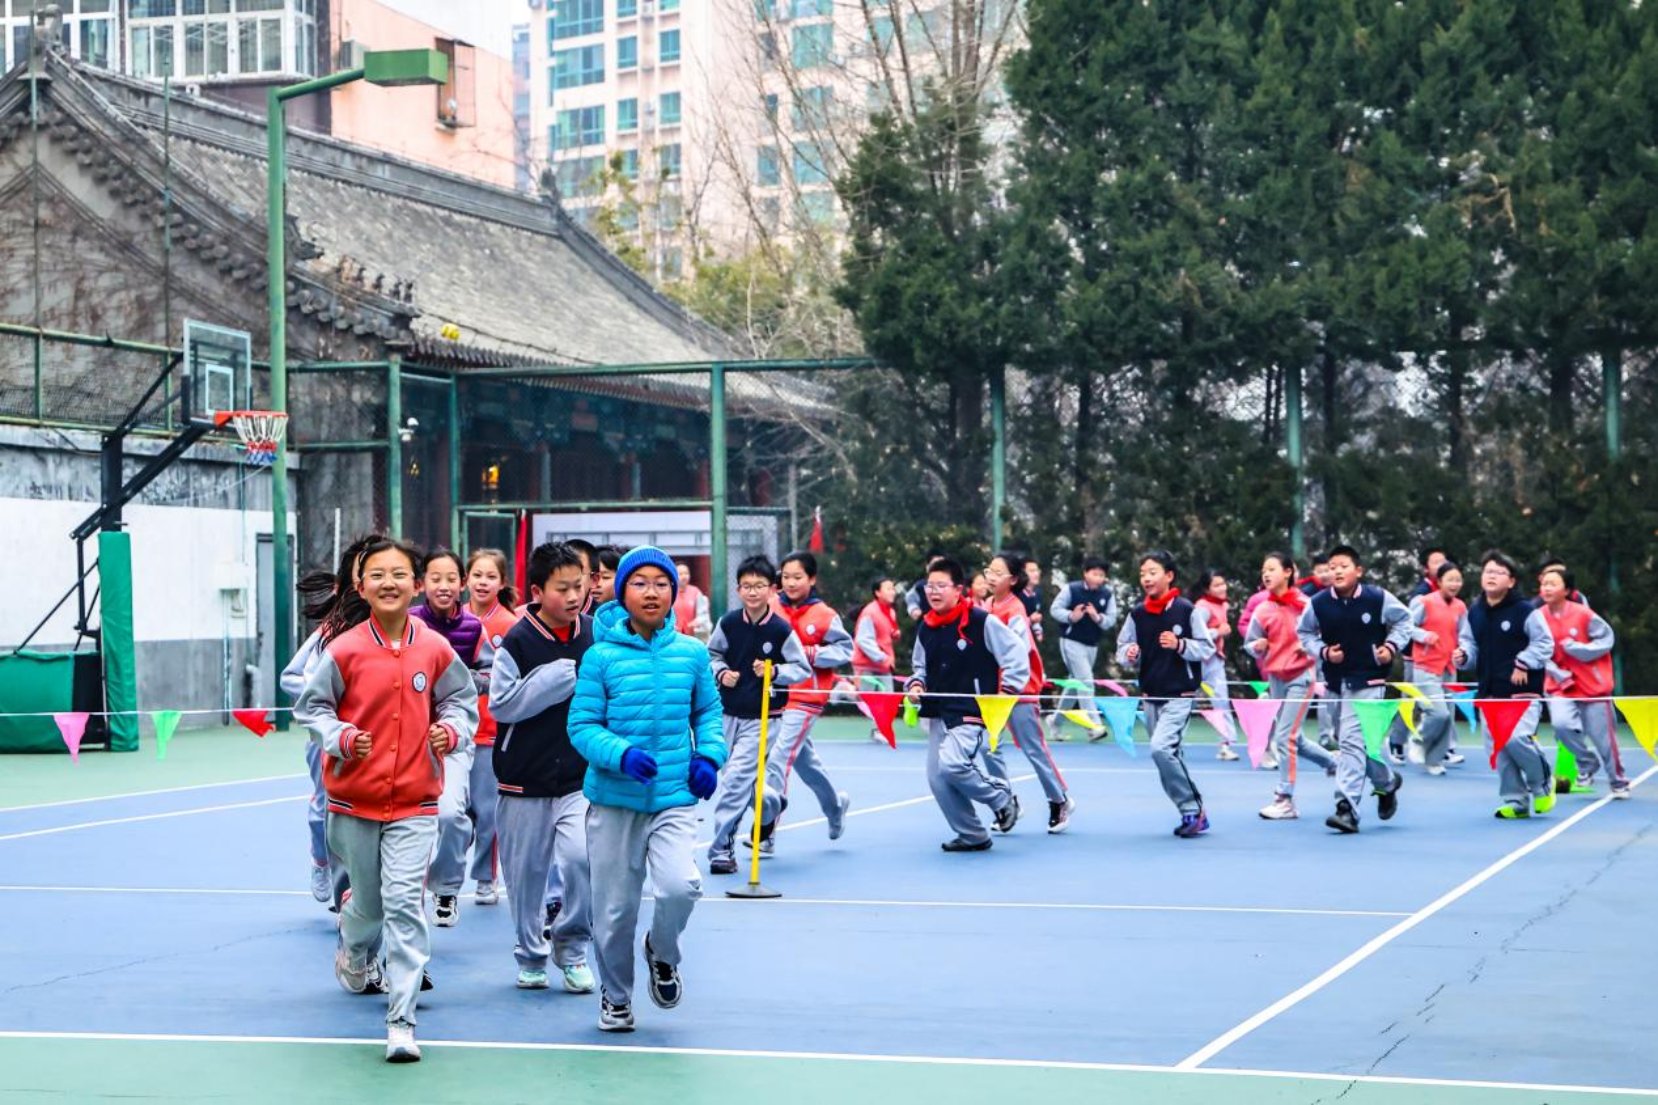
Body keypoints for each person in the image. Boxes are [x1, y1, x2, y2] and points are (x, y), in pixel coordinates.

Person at [295, 536, 479, 1063]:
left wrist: (451, 729)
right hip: (353, 803)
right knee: (369, 906)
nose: (389, 582)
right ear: (361, 586)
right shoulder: (344, 649)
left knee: (404, 906)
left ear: (415, 585)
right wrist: (341, 737)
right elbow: (311, 709)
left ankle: (401, 1021)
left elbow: (462, 700)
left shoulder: (434, 648)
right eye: (377, 574)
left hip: (416, 803)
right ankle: (353, 946)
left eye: (399, 574)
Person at [568, 545, 726, 1032]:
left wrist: (709, 756)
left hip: (674, 797)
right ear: (622, 593)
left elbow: (708, 713)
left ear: (674, 593)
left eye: (661, 583)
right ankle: (616, 996)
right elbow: (582, 725)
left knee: (681, 886)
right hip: (614, 802)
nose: (651, 592)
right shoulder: (599, 657)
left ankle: (662, 949)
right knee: (615, 912)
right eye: (639, 583)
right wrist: (620, 754)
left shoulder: (692, 654)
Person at [487, 540, 597, 995]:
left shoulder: (595, 633)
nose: (573, 597)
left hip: (579, 780)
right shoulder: (517, 640)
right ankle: (530, 954)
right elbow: (501, 705)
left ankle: (572, 949)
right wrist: (553, 681)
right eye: (562, 588)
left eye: (579, 586)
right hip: (522, 781)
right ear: (536, 591)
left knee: (583, 859)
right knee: (525, 879)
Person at [904, 556, 1024, 851]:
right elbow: (919, 668)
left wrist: (1006, 692)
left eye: (940, 586)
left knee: (953, 764)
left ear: (958, 589)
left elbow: (1016, 654)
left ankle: (1001, 797)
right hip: (937, 711)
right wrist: (916, 685)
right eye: (929, 586)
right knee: (937, 779)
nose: (933, 592)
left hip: (972, 710)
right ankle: (973, 834)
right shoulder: (926, 627)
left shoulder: (982, 621)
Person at [283, 534, 375, 908]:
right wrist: (326, 697)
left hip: (375, 737)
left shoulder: (401, 627)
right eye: (368, 570)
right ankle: (322, 860)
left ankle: (354, 893)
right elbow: (291, 677)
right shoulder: (331, 629)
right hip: (327, 737)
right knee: (325, 812)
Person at [706, 556, 811, 875]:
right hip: (727, 713)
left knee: (735, 779)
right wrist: (721, 673)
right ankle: (772, 804)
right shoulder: (728, 623)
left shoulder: (780, 630)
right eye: (747, 586)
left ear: (772, 590)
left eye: (760, 586)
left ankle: (721, 850)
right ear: (738, 589)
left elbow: (802, 669)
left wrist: (774, 671)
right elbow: (711, 655)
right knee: (736, 778)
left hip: (764, 717)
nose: (753, 592)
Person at [1295, 545, 1410, 834]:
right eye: (1332, 566)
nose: (1336, 571)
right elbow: (1304, 633)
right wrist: (1323, 652)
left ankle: (1346, 808)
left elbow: (1404, 620)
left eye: (1343, 566)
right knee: (1357, 745)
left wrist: (1390, 647)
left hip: (1369, 680)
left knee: (1350, 743)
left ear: (1358, 571)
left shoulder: (1377, 598)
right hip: (1336, 683)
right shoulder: (1319, 603)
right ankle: (1386, 783)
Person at [754, 552, 853, 855]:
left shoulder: (825, 615)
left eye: (797, 577)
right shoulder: (771, 607)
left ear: (811, 579)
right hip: (776, 695)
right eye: (785, 577)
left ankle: (766, 830)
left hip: (807, 698)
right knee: (806, 764)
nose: (791, 582)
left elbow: (845, 650)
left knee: (778, 757)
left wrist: (812, 654)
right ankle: (836, 807)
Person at [1114, 550, 1216, 837]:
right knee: (1168, 756)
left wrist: (1180, 644)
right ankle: (1190, 813)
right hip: (1150, 695)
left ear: (1169, 576)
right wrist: (1129, 654)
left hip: (1179, 695)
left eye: (1153, 572)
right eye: (1143, 574)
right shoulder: (1137, 614)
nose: (1146, 578)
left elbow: (1206, 648)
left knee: (1161, 749)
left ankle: (1193, 809)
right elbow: (1122, 647)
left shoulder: (1186, 610)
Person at [412, 550, 485, 928]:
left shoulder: (473, 628)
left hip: (454, 736)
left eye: (451, 579)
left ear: (462, 583)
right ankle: (405, 896)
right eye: (435, 578)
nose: (443, 586)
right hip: (409, 738)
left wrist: (459, 681)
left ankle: (446, 887)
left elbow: (491, 675)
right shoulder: (408, 622)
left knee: (452, 814)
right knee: (409, 821)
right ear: (421, 584)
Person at [983, 551, 1075, 832]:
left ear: (1012, 580)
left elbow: (1019, 651)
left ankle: (1059, 800)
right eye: (989, 571)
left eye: (998, 573)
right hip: (992, 690)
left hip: (1019, 688)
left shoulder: (1015, 610)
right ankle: (1006, 803)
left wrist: (1007, 681)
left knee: (1032, 748)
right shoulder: (986, 605)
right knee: (988, 747)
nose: (991, 576)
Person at [1245, 551, 1337, 820]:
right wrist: (1257, 646)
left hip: (1301, 677)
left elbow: (1327, 634)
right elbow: (1249, 643)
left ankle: (1285, 799)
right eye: (1264, 569)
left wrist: (1308, 646)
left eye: (1272, 568)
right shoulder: (1262, 609)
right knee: (1295, 738)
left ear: (1288, 572)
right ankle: (1334, 762)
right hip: (1276, 678)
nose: (1266, 574)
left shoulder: (1307, 605)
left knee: (1284, 737)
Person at [1466, 550, 1556, 819]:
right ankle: (1516, 801)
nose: (1491, 576)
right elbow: (1469, 644)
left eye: (1499, 572)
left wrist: (1523, 662)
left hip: (1522, 692)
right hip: (1489, 692)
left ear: (1512, 581)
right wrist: (1464, 656)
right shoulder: (1475, 611)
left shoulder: (1525, 611)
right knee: (1498, 749)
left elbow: (1545, 643)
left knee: (1516, 738)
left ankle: (1542, 783)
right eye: (1487, 571)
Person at [1539, 566, 1628, 798]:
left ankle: (1618, 782)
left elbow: (1606, 640)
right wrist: (1556, 672)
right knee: (1561, 725)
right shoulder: (1537, 618)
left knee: (1604, 740)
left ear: (1567, 589)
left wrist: (1579, 649)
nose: (1546, 588)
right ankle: (1587, 762)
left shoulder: (1584, 615)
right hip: (1560, 687)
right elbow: (1536, 651)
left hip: (1593, 687)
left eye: (1552, 584)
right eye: (1544, 584)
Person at [464, 548, 521, 908]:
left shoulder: (510, 625)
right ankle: (447, 873)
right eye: (477, 575)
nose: (483, 582)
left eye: (490, 576)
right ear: (466, 579)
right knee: (454, 813)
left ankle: (486, 877)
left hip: (490, 733)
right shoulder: (454, 621)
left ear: (502, 583)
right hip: (451, 734)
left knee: (488, 812)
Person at [1401, 561, 1472, 775]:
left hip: (1449, 667)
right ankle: (1418, 739)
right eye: (1450, 580)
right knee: (1438, 713)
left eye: (1458, 580)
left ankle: (1434, 760)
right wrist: (1424, 636)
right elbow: (1405, 626)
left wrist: (1463, 651)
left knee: (1447, 716)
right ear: (1439, 581)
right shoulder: (1425, 602)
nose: (1455, 584)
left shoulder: (1460, 607)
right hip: (1425, 666)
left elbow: (1465, 635)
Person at [1384, 546, 1451, 765]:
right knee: (1410, 699)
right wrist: (1424, 636)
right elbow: (1407, 625)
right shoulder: (1421, 594)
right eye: (1436, 562)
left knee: (1442, 701)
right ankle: (1396, 741)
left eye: (1443, 561)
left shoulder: (1449, 595)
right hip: (1415, 657)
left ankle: (1440, 746)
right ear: (1426, 569)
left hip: (1439, 659)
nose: (1441, 565)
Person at [1048, 556, 1116, 741]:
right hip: (1071, 642)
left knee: (1074, 685)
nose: (1098, 578)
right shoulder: (1072, 589)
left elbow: (1111, 620)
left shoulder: (1107, 595)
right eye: (1094, 574)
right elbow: (1055, 609)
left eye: (1101, 575)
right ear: (1085, 573)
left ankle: (1055, 721)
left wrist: (1097, 617)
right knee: (1086, 682)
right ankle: (1094, 726)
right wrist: (1071, 616)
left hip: (1092, 645)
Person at [1193, 569, 1239, 761]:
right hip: (1196, 660)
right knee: (1183, 701)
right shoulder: (1202, 607)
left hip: (1214, 659)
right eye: (1217, 585)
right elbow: (1195, 634)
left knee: (1221, 700)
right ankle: (1170, 742)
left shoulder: (1223, 605)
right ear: (1207, 589)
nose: (1222, 588)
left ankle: (1225, 745)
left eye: (1223, 584)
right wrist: (1218, 632)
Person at [852, 576, 901, 743]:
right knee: (864, 699)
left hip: (883, 665)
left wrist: (894, 634)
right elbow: (863, 640)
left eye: (893, 588)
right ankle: (845, 689)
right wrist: (882, 657)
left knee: (888, 698)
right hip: (866, 664)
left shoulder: (890, 611)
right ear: (877, 592)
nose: (892, 592)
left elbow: (886, 632)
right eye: (888, 588)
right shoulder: (870, 612)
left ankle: (880, 730)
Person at [673, 562, 713, 641]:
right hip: (673, 636)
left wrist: (696, 622)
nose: (684, 576)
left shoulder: (695, 592)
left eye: (686, 573)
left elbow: (703, 615)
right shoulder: (670, 592)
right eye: (680, 574)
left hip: (693, 637)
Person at [1020, 557, 1046, 644]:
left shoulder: (1038, 594)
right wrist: (1030, 620)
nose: (1036, 574)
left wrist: (1038, 631)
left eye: (1037, 570)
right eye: (1031, 571)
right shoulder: (1016, 595)